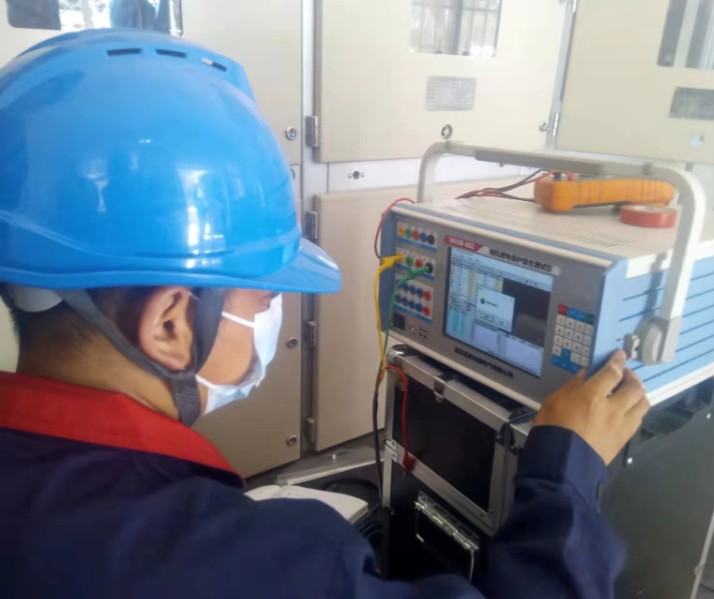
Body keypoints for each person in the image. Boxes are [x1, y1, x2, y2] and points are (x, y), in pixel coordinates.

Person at [0, 30, 649, 598]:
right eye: (263, 297)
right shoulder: (255, 562)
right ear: (171, 322)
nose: (272, 316)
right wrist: (565, 477)